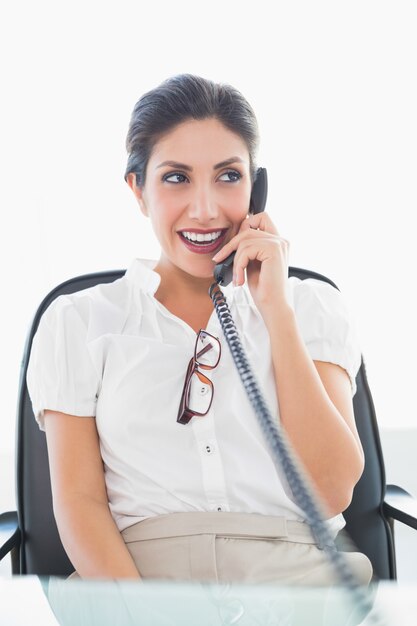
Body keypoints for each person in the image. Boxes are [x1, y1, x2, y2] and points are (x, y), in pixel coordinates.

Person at [27, 73, 372, 585]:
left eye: (229, 176)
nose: (206, 209)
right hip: (138, 589)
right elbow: (79, 504)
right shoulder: (79, 321)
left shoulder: (311, 306)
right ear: (138, 190)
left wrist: (275, 309)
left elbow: (330, 491)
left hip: (298, 589)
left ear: (257, 190)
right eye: (176, 177)